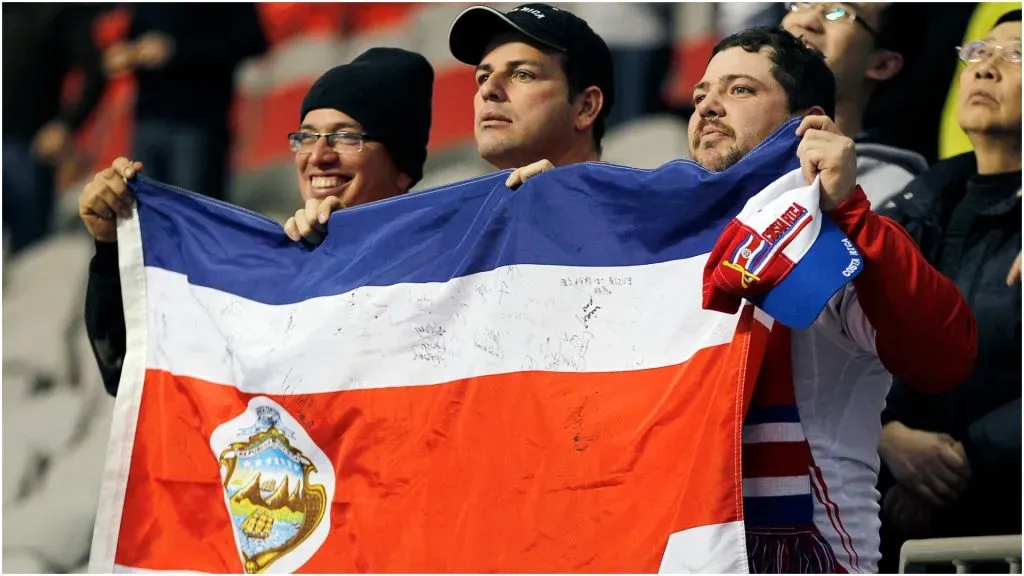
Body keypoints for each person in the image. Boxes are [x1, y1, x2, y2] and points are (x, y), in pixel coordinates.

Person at [512, 26, 978, 573]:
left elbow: (943, 356)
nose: (708, 107)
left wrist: (848, 209)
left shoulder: (840, 237)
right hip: (669, 552)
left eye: (739, 91)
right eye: (701, 95)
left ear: (808, 124)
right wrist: (549, 220)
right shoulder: (660, 249)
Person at [79, 47, 435, 395]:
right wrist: (112, 246)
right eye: (307, 137)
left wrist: (352, 248)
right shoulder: (264, 271)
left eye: (346, 137)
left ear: (401, 167)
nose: (319, 155)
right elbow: (131, 368)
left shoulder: (446, 269)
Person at [876, 11, 1021, 572]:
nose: (986, 65)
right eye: (980, 51)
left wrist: (962, 457)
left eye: (1016, 55)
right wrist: (888, 436)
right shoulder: (911, 212)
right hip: (902, 527)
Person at [288, 3, 616, 241]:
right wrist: (340, 243)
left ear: (585, 107)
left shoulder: (642, 221)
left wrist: (570, 216)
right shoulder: (452, 237)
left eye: (522, 74)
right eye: (483, 77)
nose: (489, 89)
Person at [103, 4, 267, 200]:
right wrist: (128, 52)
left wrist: (177, 50)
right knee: (147, 212)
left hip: (198, 122)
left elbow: (251, 41)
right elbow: (136, 34)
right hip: (148, 119)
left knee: (196, 214)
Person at [781, 2, 929, 207]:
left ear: (882, 64)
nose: (806, 21)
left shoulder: (893, 191)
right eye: (805, 3)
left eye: (838, 12)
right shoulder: (726, 137)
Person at [2, 4, 108, 254]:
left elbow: (95, 71)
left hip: (27, 146)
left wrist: (65, 125)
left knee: (29, 251)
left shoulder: (55, 12)